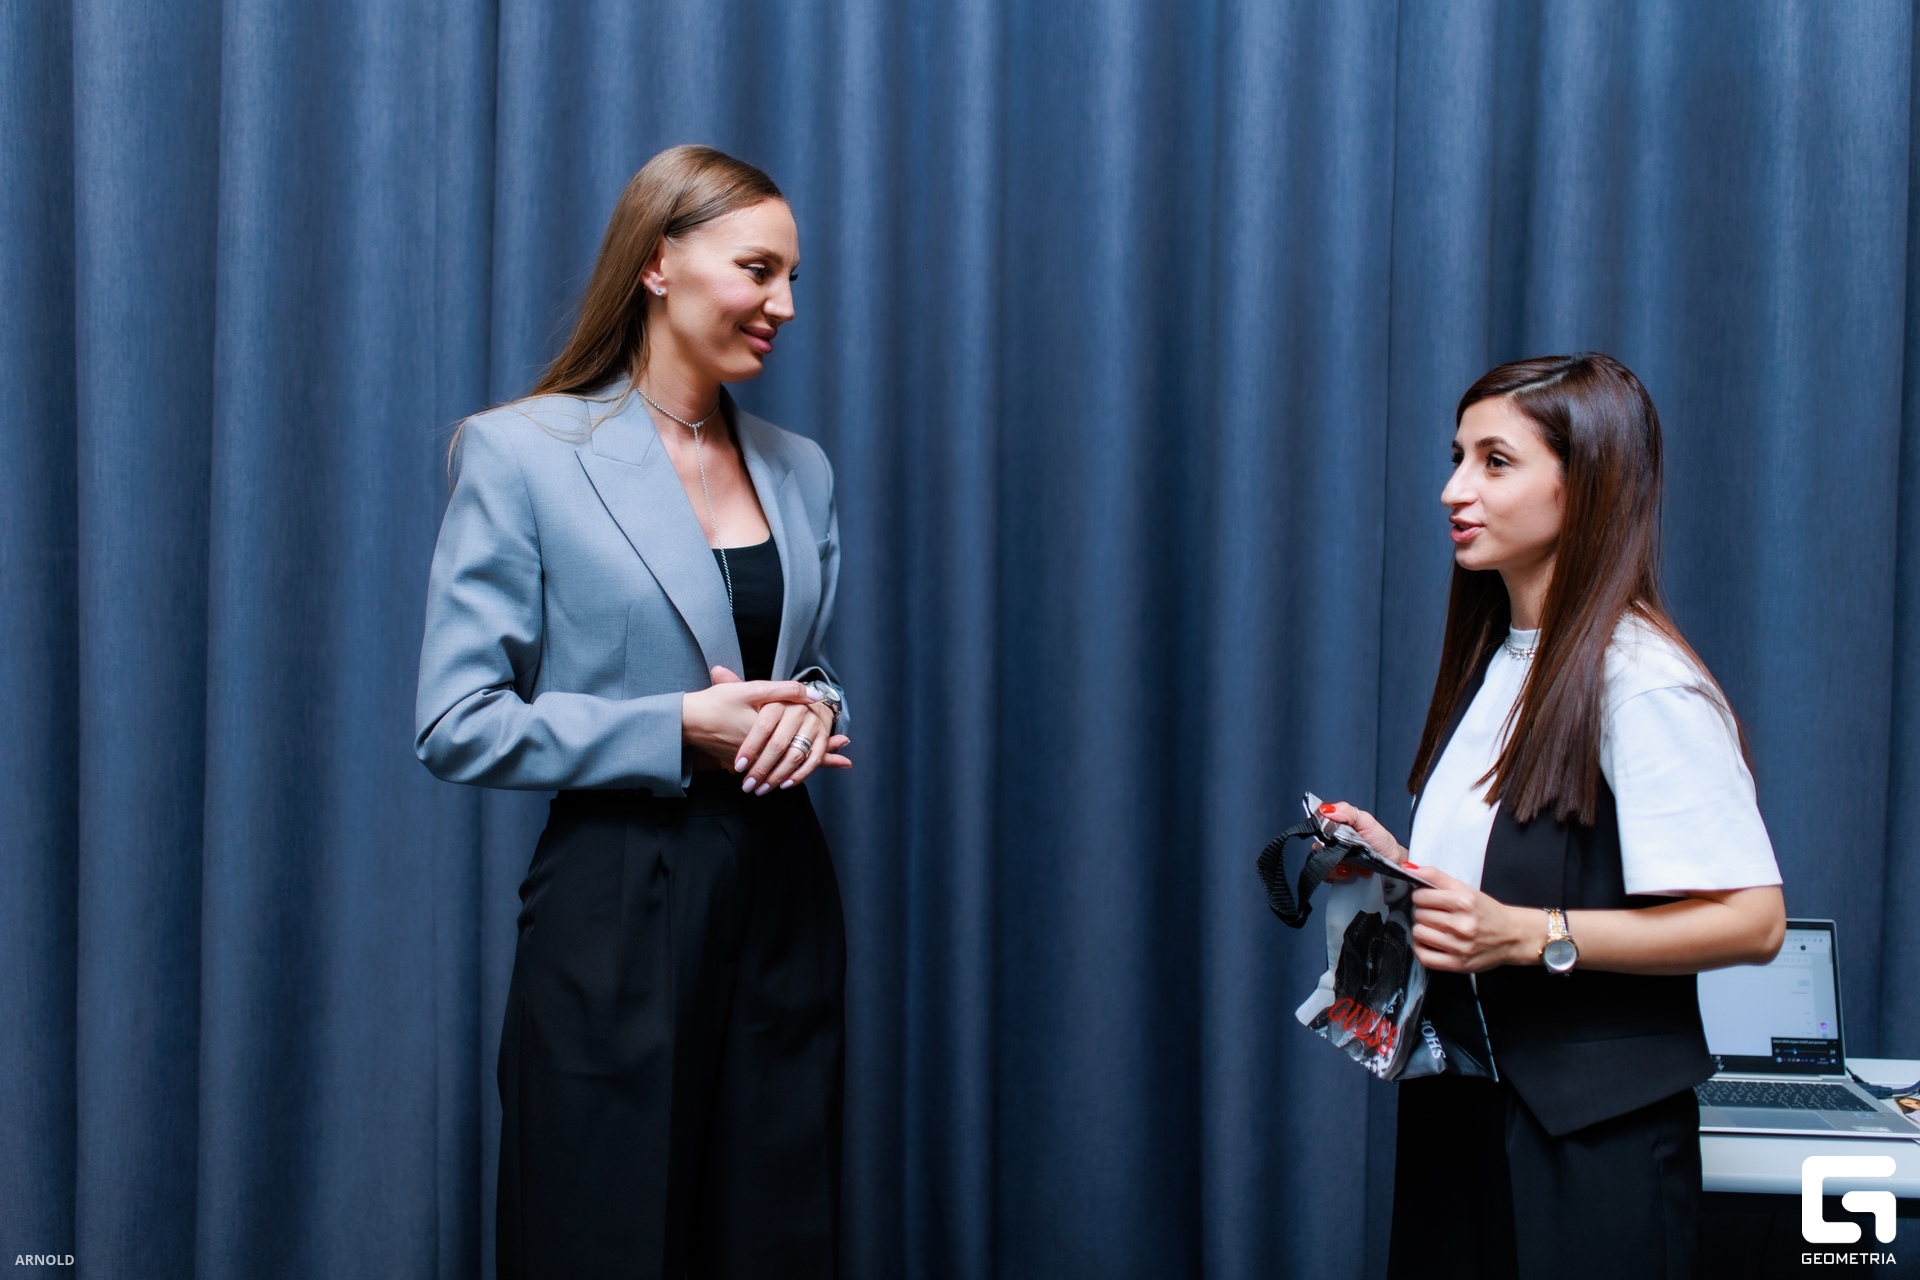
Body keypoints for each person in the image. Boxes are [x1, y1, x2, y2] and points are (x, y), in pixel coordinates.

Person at [414, 145, 853, 1280]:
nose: (784, 305)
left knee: (774, 1234)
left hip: (783, 892)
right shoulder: (521, 452)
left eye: (793, 277)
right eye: (758, 269)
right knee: (600, 1231)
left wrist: (812, 706)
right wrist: (677, 729)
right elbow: (456, 720)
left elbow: (803, 662)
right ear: (659, 264)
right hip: (613, 897)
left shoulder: (801, 469)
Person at [1318, 354, 1785, 1279]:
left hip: (1589, 1147)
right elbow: (1512, 871)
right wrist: (1395, 866)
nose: (1455, 489)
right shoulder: (1502, 660)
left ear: (1586, 485)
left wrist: (1532, 936)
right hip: (1461, 1115)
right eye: (1457, 457)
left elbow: (1754, 920)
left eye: (1496, 462)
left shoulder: (1641, 680)